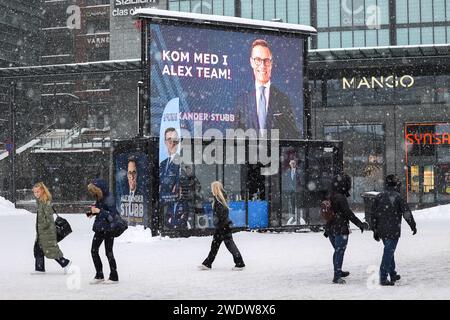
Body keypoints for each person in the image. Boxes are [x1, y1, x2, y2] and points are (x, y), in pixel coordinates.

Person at [234, 39, 300, 140]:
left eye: (266, 60)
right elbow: (235, 139)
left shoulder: (282, 99)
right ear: (251, 62)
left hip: (275, 155)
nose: (262, 65)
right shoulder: (242, 100)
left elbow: (293, 135)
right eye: (257, 60)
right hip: (249, 155)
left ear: (271, 63)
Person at [371, 174, 417, 286]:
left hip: (382, 229)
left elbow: (373, 214)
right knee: (388, 252)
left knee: (389, 251)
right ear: (396, 184)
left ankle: (392, 273)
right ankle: (383, 277)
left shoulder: (379, 196)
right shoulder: (398, 197)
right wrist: (413, 225)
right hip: (393, 230)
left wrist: (375, 229)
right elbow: (406, 213)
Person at [324, 174, 368, 284]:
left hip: (330, 228)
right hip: (340, 228)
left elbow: (328, 212)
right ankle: (337, 275)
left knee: (337, 251)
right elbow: (348, 213)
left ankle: (338, 271)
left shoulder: (330, 195)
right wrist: (360, 224)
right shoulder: (340, 197)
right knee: (340, 251)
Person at [199, 181, 245, 271]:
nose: (211, 190)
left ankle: (240, 264)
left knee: (230, 245)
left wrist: (218, 223)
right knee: (214, 246)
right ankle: (207, 264)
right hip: (221, 227)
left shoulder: (219, 200)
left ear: (215, 189)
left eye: (212, 188)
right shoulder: (219, 198)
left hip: (223, 227)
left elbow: (221, 214)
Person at [31, 182, 72, 274]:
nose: (36, 194)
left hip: (47, 231)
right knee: (38, 249)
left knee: (50, 250)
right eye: (34, 192)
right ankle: (39, 268)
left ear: (42, 191)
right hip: (42, 231)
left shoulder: (45, 202)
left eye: (37, 192)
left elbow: (49, 218)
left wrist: (43, 226)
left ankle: (65, 263)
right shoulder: (41, 202)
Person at [87, 178, 120, 284]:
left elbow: (112, 216)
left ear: (100, 189)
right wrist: (91, 213)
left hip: (109, 229)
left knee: (108, 252)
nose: (93, 193)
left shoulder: (109, 198)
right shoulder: (99, 197)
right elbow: (98, 210)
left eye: (95, 190)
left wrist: (99, 211)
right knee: (94, 250)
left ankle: (114, 276)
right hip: (99, 228)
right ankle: (99, 274)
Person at [159, 127, 181, 229]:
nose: (172, 143)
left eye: (175, 140)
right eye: (169, 140)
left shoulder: (181, 161)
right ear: (165, 142)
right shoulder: (163, 164)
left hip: (174, 205)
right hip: (162, 204)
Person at [282, 159, 303, 225]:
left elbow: (301, 181)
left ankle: (298, 219)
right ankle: (294, 217)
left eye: (294, 163)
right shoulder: (287, 171)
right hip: (290, 191)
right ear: (290, 164)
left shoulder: (299, 171)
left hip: (298, 191)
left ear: (295, 164)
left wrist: (299, 188)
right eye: (291, 163)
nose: (293, 164)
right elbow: (286, 181)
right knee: (292, 204)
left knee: (298, 205)